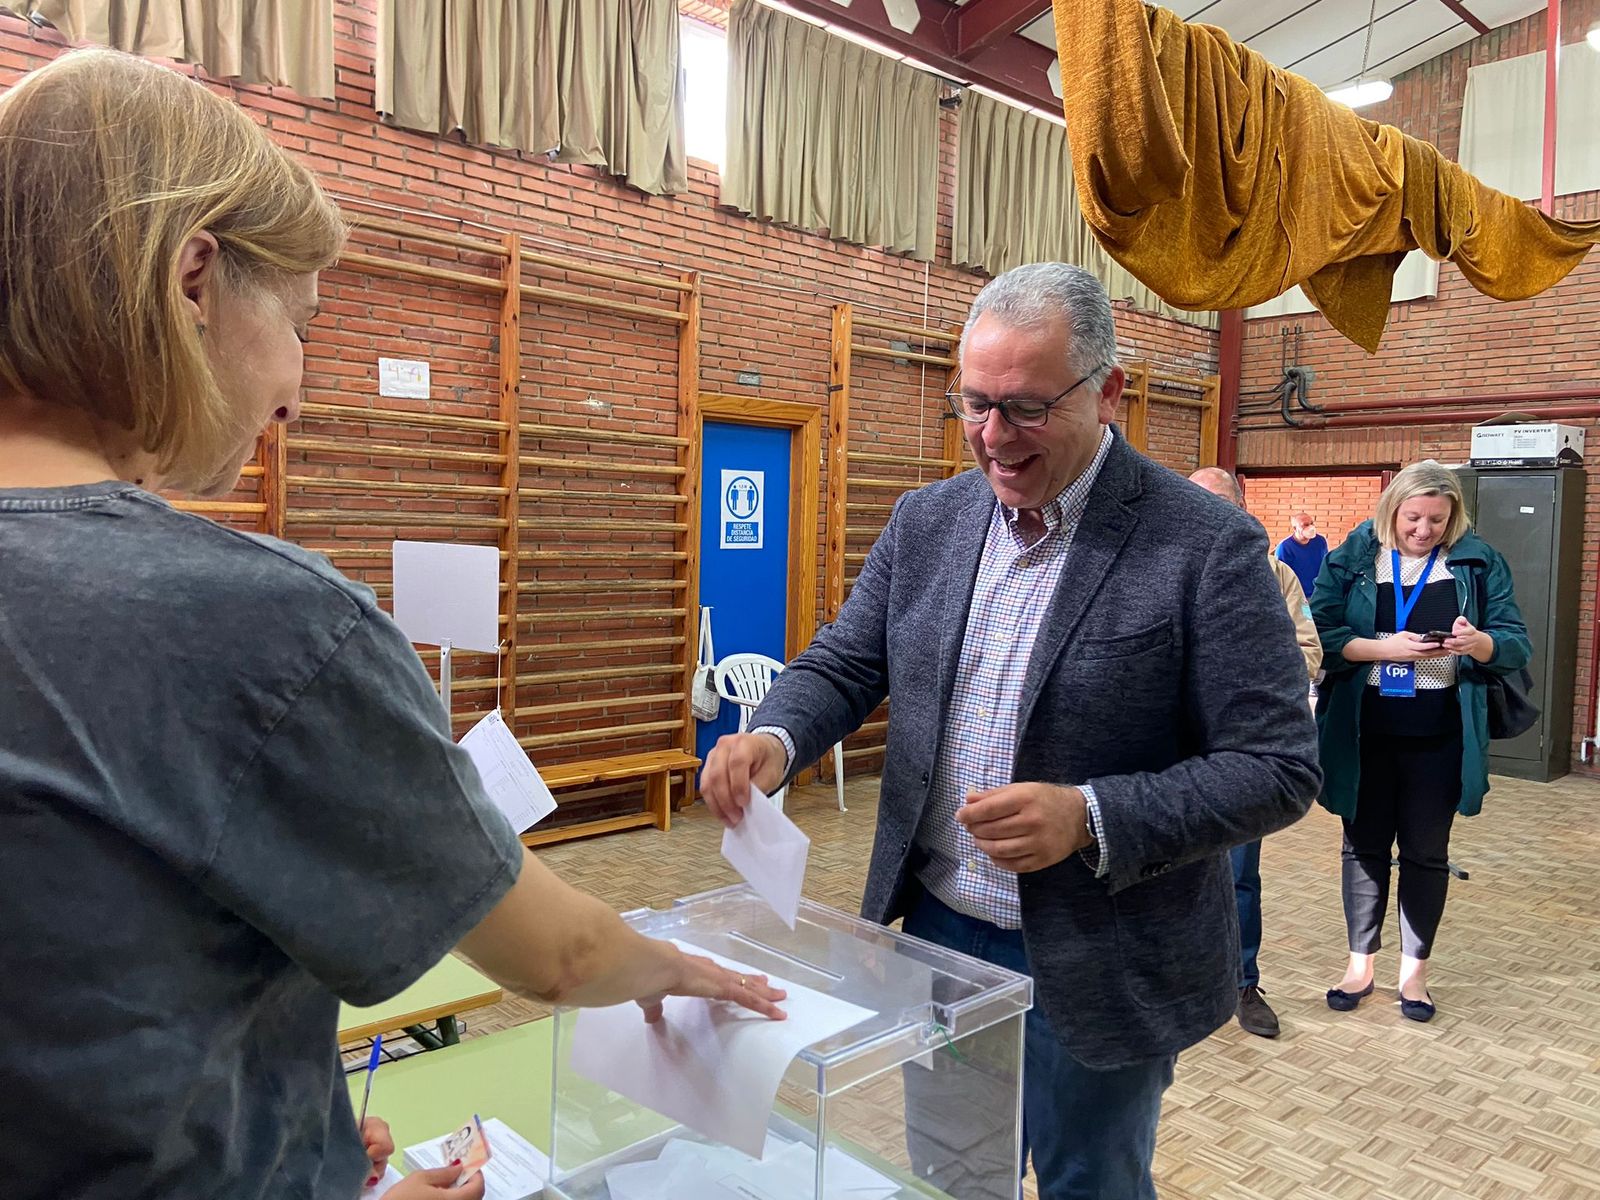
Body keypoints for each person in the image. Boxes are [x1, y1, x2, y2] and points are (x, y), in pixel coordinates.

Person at [0, 50, 784, 1200]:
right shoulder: (257, 621)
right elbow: (553, 953)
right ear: (192, 281)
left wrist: (281, 1116)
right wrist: (673, 968)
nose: (300, 390)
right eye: (304, 325)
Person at [700, 263, 1321, 1200]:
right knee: (951, 1178)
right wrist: (776, 740)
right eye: (975, 404)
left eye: (1026, 409)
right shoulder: (929, 522)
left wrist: (1092, 815)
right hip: (941, 937)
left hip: (1100, 956)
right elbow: (843, 662)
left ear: (1108, 391)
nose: (993, 438)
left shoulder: (1202, 544)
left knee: (1090, 1184)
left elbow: (1277, 768)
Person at [1311, 461, 1530, 1023]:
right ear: (1392, 510)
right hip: (1364, 734)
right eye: (1413, 517)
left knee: (1426, 854)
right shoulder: (1354, 558)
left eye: (1438, 519)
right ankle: (1360, 964)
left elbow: (1514, 643)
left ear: (1454, 516)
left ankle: (1415, 973)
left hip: (1441, 736)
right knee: (1362, 848)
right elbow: (1320, 635)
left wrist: (1479, 642)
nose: (1424, 530)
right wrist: (1386, 650)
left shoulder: (1478, 562)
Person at [1188, 468, 1321, 1039]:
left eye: (1218, 503)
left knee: (1239, 873)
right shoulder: (1158, 564)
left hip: (1241, 749)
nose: (1207, 514)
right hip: (1167, 750)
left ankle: (1243, 982)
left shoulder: (1279, 574)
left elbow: (1309, 651)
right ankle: (1177, 983)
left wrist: (1242, 680)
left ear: (1242, 509)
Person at [1277, 510, 1329, 599]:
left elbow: (1325, 565)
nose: (1310, 527)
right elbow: (1282, 576)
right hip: (1299, 597)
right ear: (1295, 528)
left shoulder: (1320, 541)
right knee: (1305, 613)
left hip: (1319, 594)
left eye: (1311, 523)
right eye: (1305, 525)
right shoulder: (1285, 547)